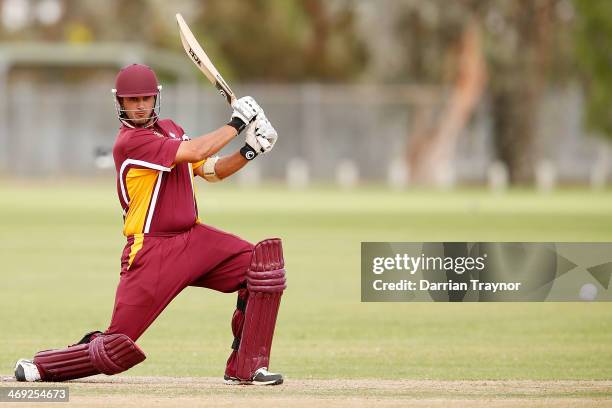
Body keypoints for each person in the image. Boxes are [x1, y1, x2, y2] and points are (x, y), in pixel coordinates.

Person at [14, 64, 286, 386]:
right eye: (132, 100)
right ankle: (42, 366)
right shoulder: (129, 142)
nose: (140, 106)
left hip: (194, 239)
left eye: (145, 98)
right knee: (115, 348)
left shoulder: (172, 129)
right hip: (152, 251)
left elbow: (211, 170)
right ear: (121, 104)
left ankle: (247, 368)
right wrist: (238, 123)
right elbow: (197, 149)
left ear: (156, 98)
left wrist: (250, 150)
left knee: (262, 267)